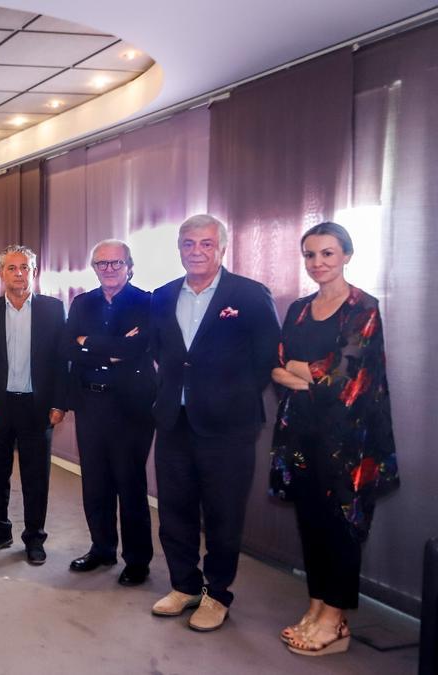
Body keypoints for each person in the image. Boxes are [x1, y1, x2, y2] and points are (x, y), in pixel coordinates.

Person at [269, 222, 399, 656]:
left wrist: (302, 374)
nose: (318, 263)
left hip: (350, 444)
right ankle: (315, 606)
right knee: (312, 524)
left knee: (342, 528)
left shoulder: (364, 307)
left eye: (327, 253)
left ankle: (335, 620)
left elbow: (346, 378)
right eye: (310, 255)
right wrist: (309, 372)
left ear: (346, 255)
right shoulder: (299, 309)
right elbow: (277, 366)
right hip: (301, 437)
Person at [148, 214, 280, 631]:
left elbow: (266, 359)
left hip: (228, 427)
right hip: (174, 420)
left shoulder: (249, 295)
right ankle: (184, 585)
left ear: (222, 248)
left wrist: (230, 397)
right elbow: (160, 351)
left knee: (223, 515)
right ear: (179, 249)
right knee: (174, 510)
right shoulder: (163, 296)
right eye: (189, 244)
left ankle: (217, 593)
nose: (197, 251)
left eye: (206, 244)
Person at [0, 245, 68, 565]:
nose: (19, 273)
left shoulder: (53, 309)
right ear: (1, 273)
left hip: (38, 408)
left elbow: (61, 361)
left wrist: (59, 402)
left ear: (34, 272)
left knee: (36, 476)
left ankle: (34, 537)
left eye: (25, 267)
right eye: (12, 268)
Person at [63, 240, 156, 586]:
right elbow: (66, 346)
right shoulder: (82, 302)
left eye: (116, 263)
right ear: (94, 268)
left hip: (130, 407)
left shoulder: (147, 302)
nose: (109, 270)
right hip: (90, 404)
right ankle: (102, 548)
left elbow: (138, 348)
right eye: (102, 264)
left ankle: (137, 560)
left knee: (130, 483)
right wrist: (109, 349)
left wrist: (88, 342)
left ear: (130, 265)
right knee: (95, 482)